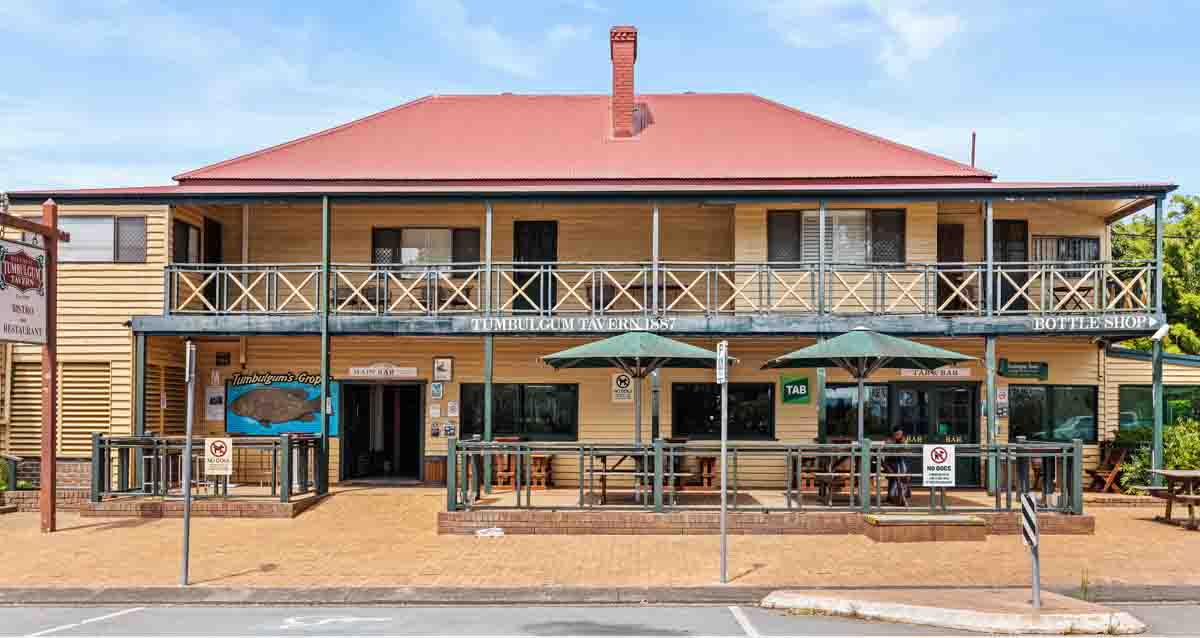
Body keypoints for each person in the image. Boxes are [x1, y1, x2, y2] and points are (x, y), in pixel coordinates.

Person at [885, 425, 913, 506]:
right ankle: (896, 497)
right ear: (893, 434)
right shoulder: (889, 440)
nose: (899, 436)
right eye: (897, 434)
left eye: (900, 434)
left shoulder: (904, 440)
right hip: (891, 463)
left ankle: (900, 496)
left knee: (903, 474)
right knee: (897, 475)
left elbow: (906, 451)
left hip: (901, 463)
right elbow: (889, 452)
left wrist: (902, 445)